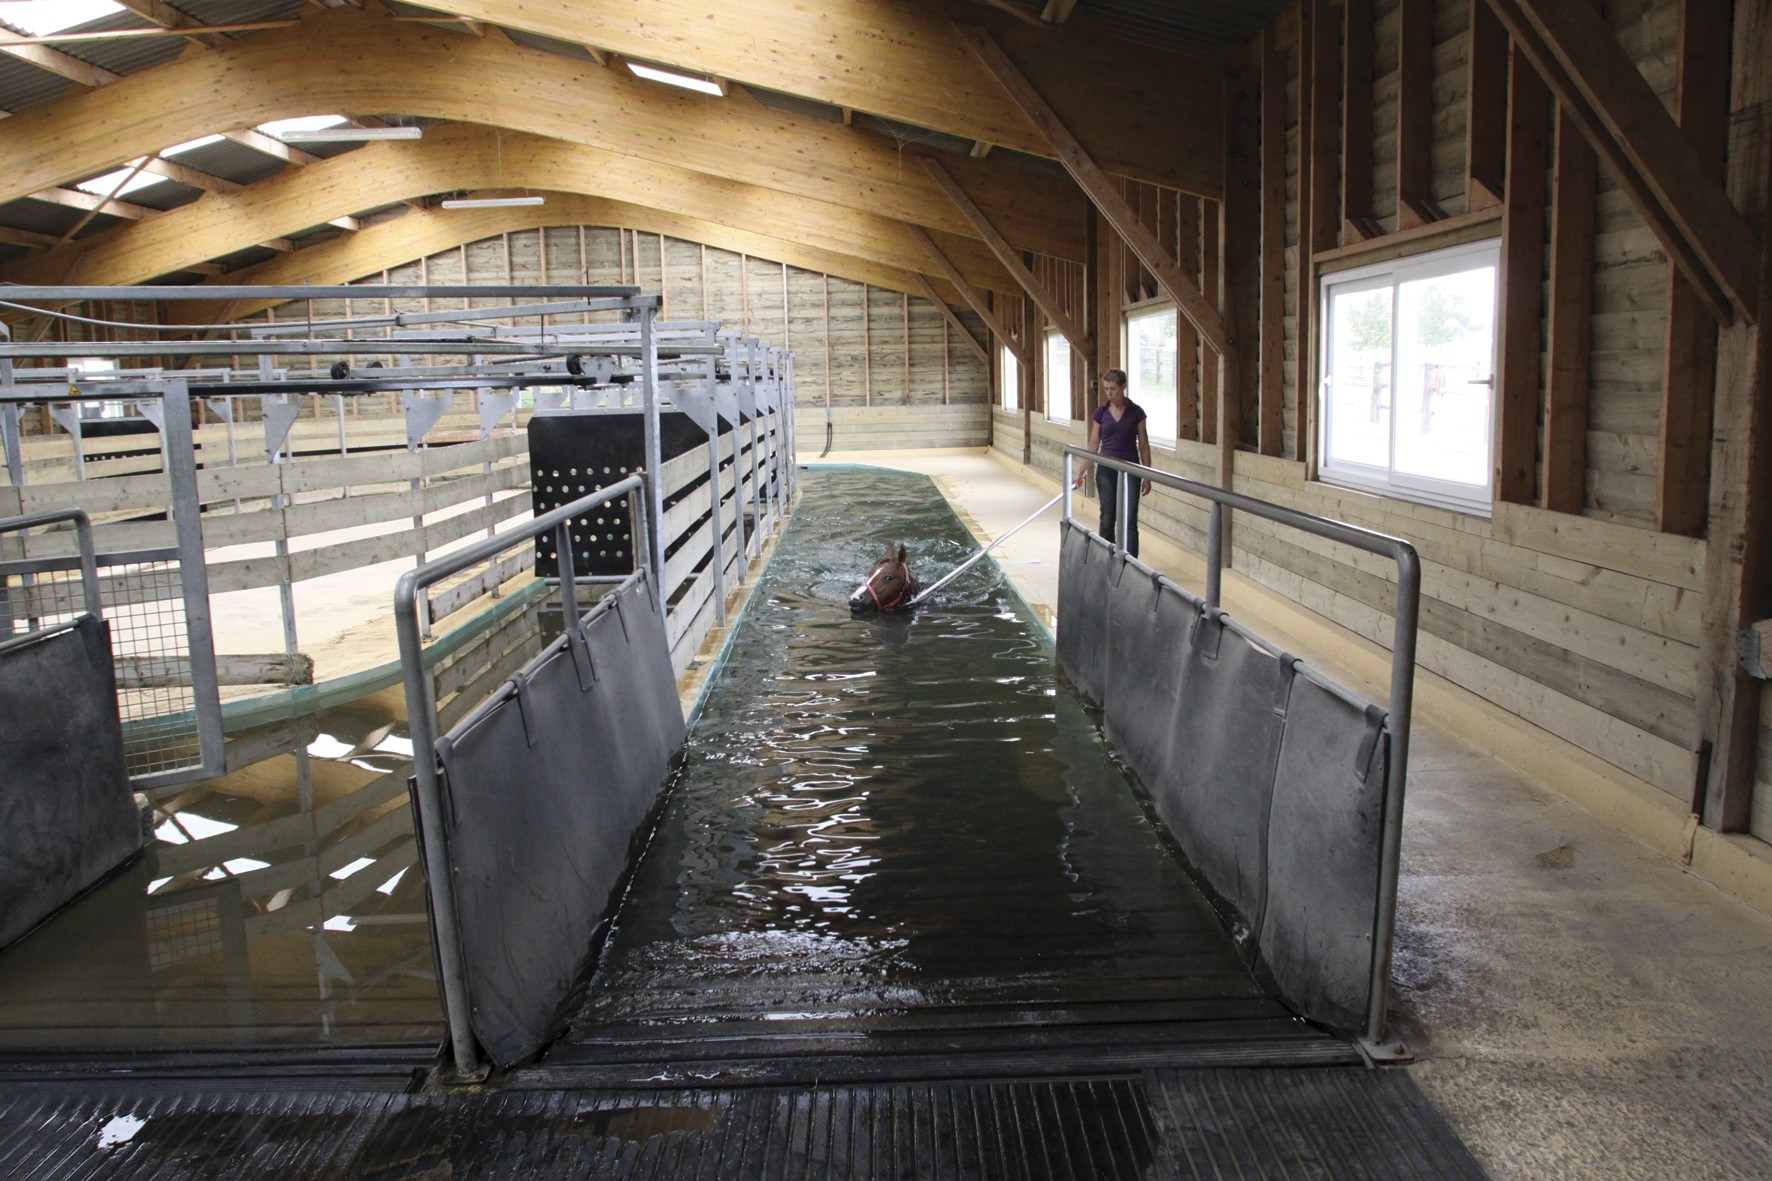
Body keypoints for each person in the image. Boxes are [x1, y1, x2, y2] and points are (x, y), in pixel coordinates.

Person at [1072, 368, 1152, 557]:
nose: (1109, 393)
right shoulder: (1101, 413)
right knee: (1108, 515)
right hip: (1106, 469)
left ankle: (1131, 560)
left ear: (1123, 387)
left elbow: (1144, 445)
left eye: (1113, 389)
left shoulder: (1136, 413)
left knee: (1130, 518)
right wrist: (1081, 471)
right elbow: (1093, 443)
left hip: (1130, 468)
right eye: (1106, 389)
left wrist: (1147, 476)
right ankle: (1106, 555)